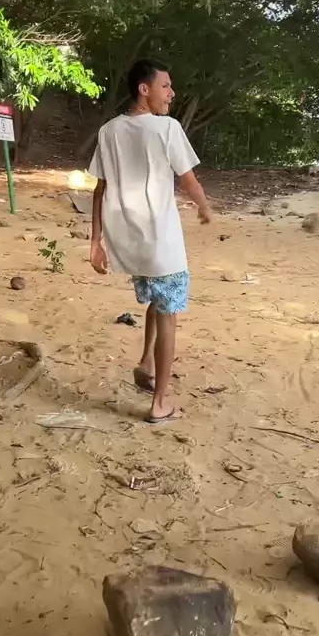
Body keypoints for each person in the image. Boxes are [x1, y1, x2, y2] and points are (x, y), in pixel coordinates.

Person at [88, 58, 212, 423]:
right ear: (145, 89)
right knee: (169, 313)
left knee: (158, 300)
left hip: (128, 242)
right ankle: (160, 403)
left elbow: (99, 189)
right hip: (160, 241)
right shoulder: (167, 128)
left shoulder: (108, 131)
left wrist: (95, 242)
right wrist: (205, 206)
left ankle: (145, 363)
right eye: (166, 86)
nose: (172, 93)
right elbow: (188, 180)